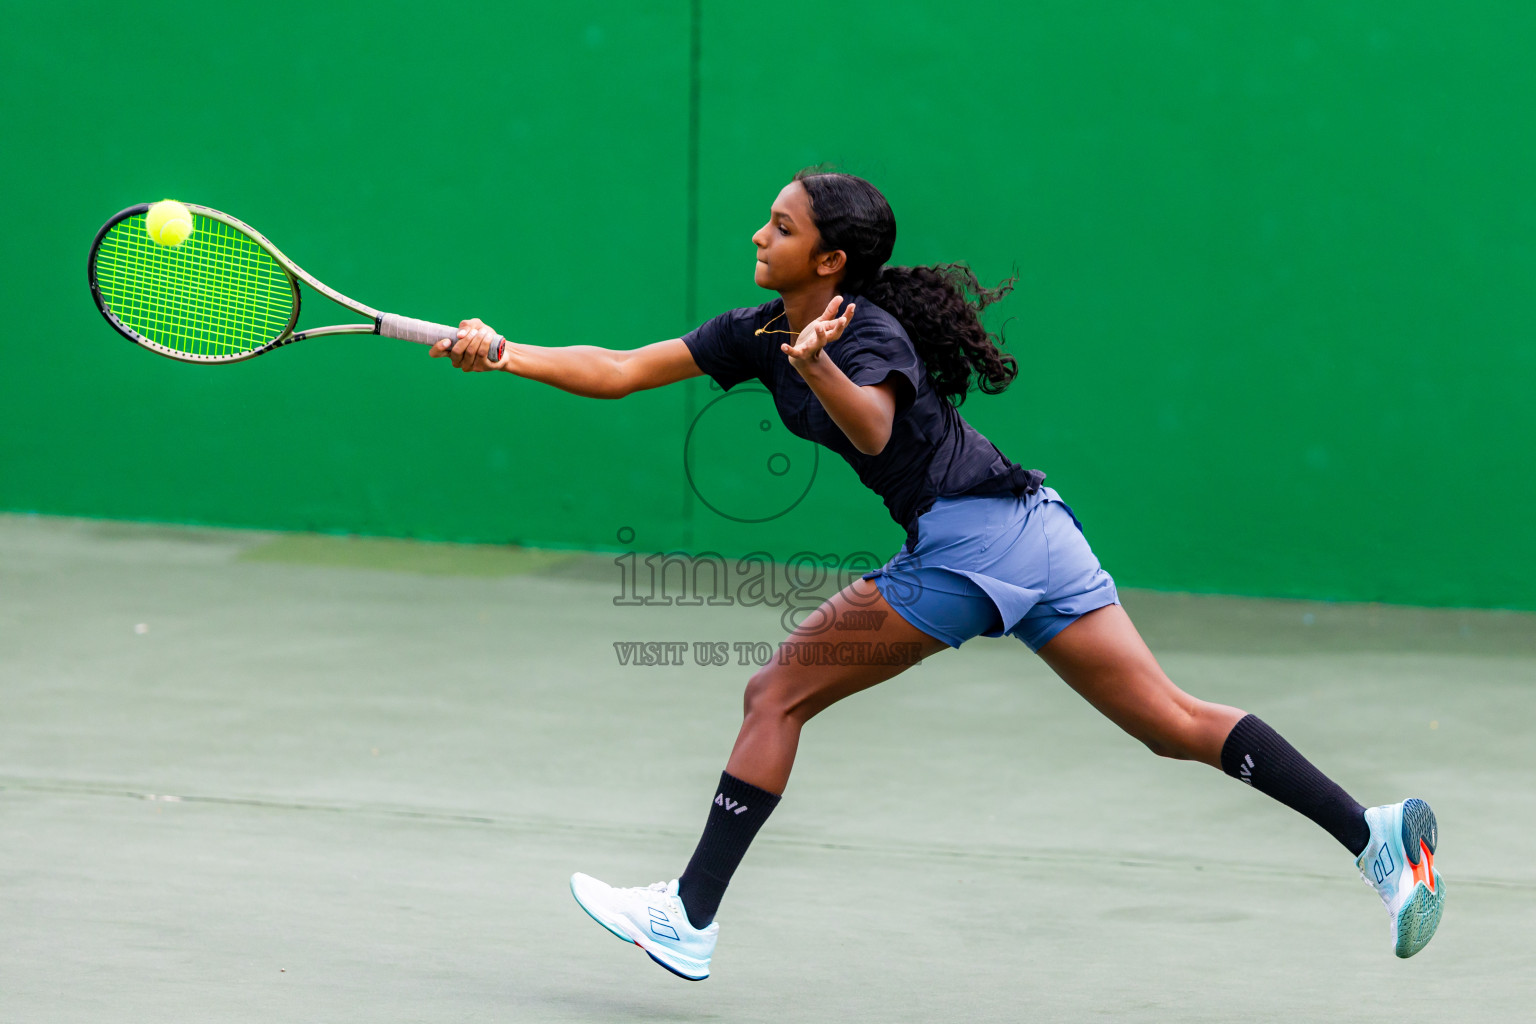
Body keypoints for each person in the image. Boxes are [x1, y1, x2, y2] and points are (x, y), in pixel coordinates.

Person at [431, 169, 1444, 979]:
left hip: (972, 543)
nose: (757, 236)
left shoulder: (866, 331)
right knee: (1171, 721)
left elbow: (870, 421)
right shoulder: (755, 332)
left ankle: (688, 915)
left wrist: (820, 363)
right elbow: (618, 369)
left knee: (776, 690)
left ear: (829, 257)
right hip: (1036, 530)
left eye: (779, 227)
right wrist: (504, 350)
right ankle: (1375, 836)